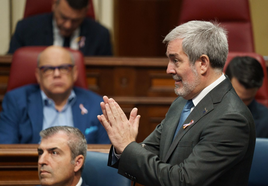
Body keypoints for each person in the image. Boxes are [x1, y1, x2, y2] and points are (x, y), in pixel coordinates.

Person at [97, 20, 256, 186]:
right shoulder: (182, 103)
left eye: (176, 60)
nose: (168, 69)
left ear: (202, 63)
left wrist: (127, 146)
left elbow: (183, 181)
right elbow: (151, 151)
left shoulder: (231, 119)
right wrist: (121, 147)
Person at [0, 46, 109, 144]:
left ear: (75, 73)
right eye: (48, 69)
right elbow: (6, 149)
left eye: (64, 68)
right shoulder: (16, 101)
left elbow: (105, 155)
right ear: (38, 75)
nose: (57, 74)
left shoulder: (96, 105)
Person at [8, 0, 112, 56]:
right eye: (63, 17)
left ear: (85, 12)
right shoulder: (26, 29)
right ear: (54, 5)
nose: (68, 25)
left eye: (75, 20)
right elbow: (10, 68)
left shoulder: (100, 35)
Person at [225, 56, 268, 138]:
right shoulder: (204, 110)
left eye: (247, 99)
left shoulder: (265, 122)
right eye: (236, 96)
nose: (240, 104)